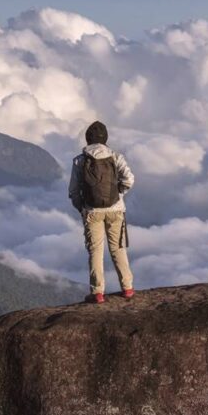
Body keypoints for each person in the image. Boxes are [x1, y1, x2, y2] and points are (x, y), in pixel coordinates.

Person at [69, 120, 135, 304]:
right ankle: (127, 288)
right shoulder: (115, 156)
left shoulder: (80, 160)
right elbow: (129, 179)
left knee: (95, 251)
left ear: (88, 138)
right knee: (118, 249)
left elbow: (74, 190)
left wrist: (82, 208)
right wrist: (119, 192)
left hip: (92, 211)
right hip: (116, 211)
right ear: (105, 138)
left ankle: (98, 293)